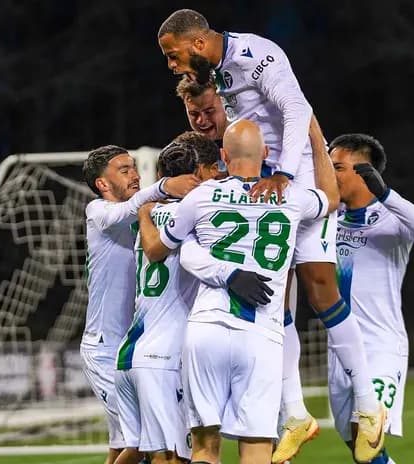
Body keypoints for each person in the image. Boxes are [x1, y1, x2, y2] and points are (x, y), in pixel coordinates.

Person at [158, 10, 384, 462]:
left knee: (321, 289)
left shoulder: (255, 53)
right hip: (261, 186)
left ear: (198, 43)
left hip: (291, 184)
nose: (171, 64)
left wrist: (285, 172)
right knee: (273, 297)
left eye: (172, 55)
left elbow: (298, 109)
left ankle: (368, 404)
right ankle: (296, 414)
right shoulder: (218, 74)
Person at [139, 119, 339, 464]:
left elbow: (165, 247)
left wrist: (152, 200)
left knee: (204, 448)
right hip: (261, 335)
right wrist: (317, 142)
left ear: (222, 157)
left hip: (206, 329)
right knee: (257, 449)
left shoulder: (201, 195)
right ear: (264, 153)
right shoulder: (291, 196)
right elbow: (331, 198)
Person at [80, 145, 198, 464]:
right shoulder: (99, 212)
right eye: (123, 170)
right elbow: (126, 211)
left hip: (133, 345)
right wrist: (162, 187)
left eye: (133, 167)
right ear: (102, 184)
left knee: (126, 444)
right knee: (142, 443)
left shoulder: (147, 213)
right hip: (104, 348)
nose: (133, 174)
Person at [329, 134, 414, 464]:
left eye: (338, 167)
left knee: (367, 436)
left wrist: (386, 194)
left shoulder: (393, 220)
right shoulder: (329, 220)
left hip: (379, 346)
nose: (329, 173)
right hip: (338, 349)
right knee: (358, 450)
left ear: (364, 171)